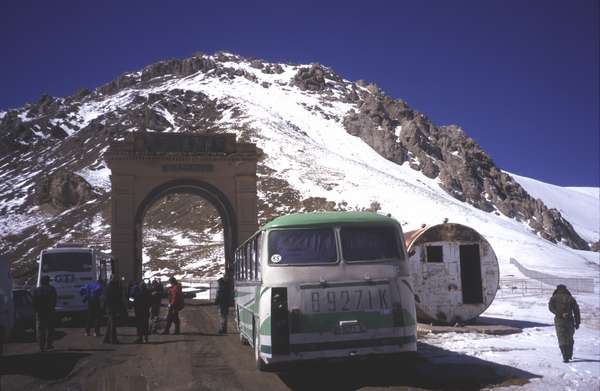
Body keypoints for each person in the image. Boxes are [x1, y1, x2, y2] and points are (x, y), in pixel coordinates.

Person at [548, 284, 581, 362]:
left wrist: (559, 313)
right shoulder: (570, 298)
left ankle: (565, 356)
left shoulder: (554, 298)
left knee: (561, 338)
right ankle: (569, 355)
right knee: (569, 338)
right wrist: (577, 322)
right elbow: (576, 311)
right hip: (570, 320)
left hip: (559, 321)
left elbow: (550, 308)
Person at [32, 275, 57, 352]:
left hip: (39, 312)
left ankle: (41, 346)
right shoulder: (52, 289)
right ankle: (49, 344)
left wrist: (36, 310)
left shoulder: (36, 290)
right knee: (50, 329)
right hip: (49, 311)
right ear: (48, 281)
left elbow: (33, 302)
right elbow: (54, 300)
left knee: (40, 329)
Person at [102, 276, 124, 344]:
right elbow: (118, 297)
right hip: (112, 307)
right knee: (113, 324)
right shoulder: (114, 287)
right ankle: (113, 340)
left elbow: (105, 298)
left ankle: (106, 339)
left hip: (109, 307)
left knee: (110, 324)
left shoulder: (108, 287)